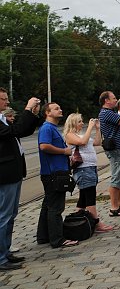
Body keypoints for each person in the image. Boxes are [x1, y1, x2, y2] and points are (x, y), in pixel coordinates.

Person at [0, 91, 42, 270]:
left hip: (14, 172)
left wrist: (32, 113)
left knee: (10, 215)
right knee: (3, 216)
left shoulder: (2, 118)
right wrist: (26, 108)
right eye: (4, 99)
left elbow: (22, 130)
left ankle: (5, 251)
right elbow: (14, 130)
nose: (7, 101)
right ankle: (1, 258)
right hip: (5, 173)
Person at [63, 114, 114, 232]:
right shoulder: (69, 135)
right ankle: (96, 223)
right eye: (79, 121)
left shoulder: (81, 134)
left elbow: (97, 142)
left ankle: (78, 219)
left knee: (84, 197)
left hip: (90, 168)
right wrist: (90, 127)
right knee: (90, 196)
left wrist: (97, 128)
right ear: (73, 123)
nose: (82, 123)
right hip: (83, 169)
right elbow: (82, 142)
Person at [36, 102, 77, 247]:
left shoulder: (52, 128)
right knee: (56, 207)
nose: (60, 110)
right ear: (48, 113)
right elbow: (44, 146)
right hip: (53, 173)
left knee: (48, 205)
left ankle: (43, 236)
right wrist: (64, 151)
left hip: (54, 172)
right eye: (56, 108)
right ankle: (57, 239)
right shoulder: (47, 128)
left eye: (60, 107)